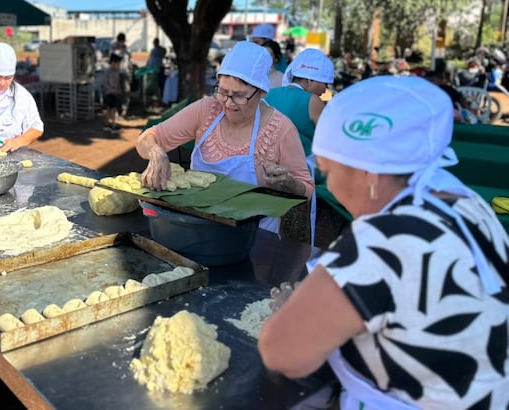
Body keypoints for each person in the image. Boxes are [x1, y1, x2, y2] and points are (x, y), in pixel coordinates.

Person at [259, 76, 509, 409]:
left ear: (368, 173)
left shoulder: (383, 241)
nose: (329, 187)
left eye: (329, 172)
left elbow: (283, 352)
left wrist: (289, 308)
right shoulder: (464, 200)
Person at [137, 41, 313, 234]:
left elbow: (306, 188)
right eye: (222, 91)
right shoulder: (206, 110)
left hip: (255, 238)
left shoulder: (281, 130)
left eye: (238, 96)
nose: (228, 103)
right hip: (197, 228)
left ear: (261, 92)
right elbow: (147, 138)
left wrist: (288, 183)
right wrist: (156, 152)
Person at [265, 48, 335, 246]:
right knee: (297, 240)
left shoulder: (269, 94)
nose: (325, 90)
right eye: (324, 83)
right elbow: (330, 142)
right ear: (310, 81)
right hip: (302, 178)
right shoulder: (313, 101)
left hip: (267, 172)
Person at [112, 32, 132, 117]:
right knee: (116, 92)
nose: (121, 43)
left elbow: (129, 63)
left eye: (122, 41)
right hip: (116, 73)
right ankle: (116, 110)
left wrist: (130, 74)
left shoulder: (128, 51)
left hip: (125, 73)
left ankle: (124, 110)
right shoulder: (114, 50)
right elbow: (112, 62)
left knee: (126, 91)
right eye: (120, 41)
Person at [102, 53, 123, 133]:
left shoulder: (111, 71)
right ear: (113, 62)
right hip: (111, 93)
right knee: (113, 110)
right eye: (118, 63)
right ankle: (113, 125)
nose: (119, 65)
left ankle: (107, 124)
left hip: (108, 93)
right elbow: (111, 84)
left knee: (109, 109)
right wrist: (116, 90)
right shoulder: (111, 72)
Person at [146, 37, 167, 101]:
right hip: (156, 69)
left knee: (158, 84)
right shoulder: (158, 50)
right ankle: (159, 96)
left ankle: (160, 97)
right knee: (159, 84)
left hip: (157, 69)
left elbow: (149, 61)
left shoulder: (156, 50)